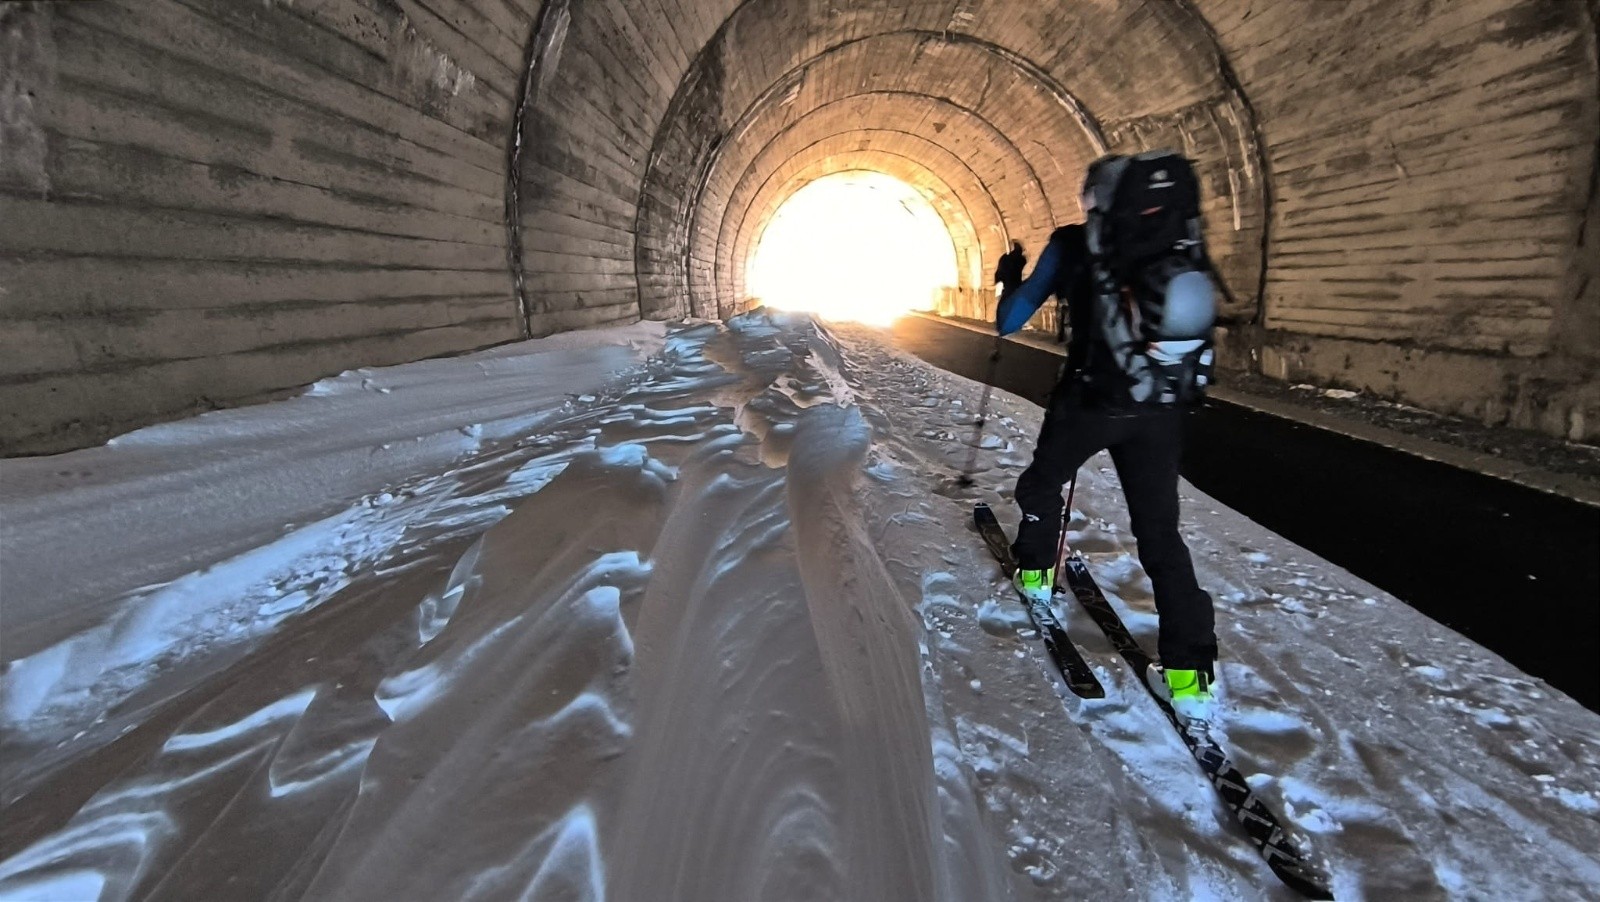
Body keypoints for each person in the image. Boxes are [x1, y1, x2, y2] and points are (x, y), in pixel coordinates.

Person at [993, 223, 1219, 726]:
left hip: (1090, 404)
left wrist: (1008, 278)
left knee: (1040, 486)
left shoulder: (1073, 242)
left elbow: (1010, 320)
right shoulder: (1171, 239)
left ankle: (1035, 575)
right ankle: (1188, 680)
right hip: (1160, 408)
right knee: (1161, 534)